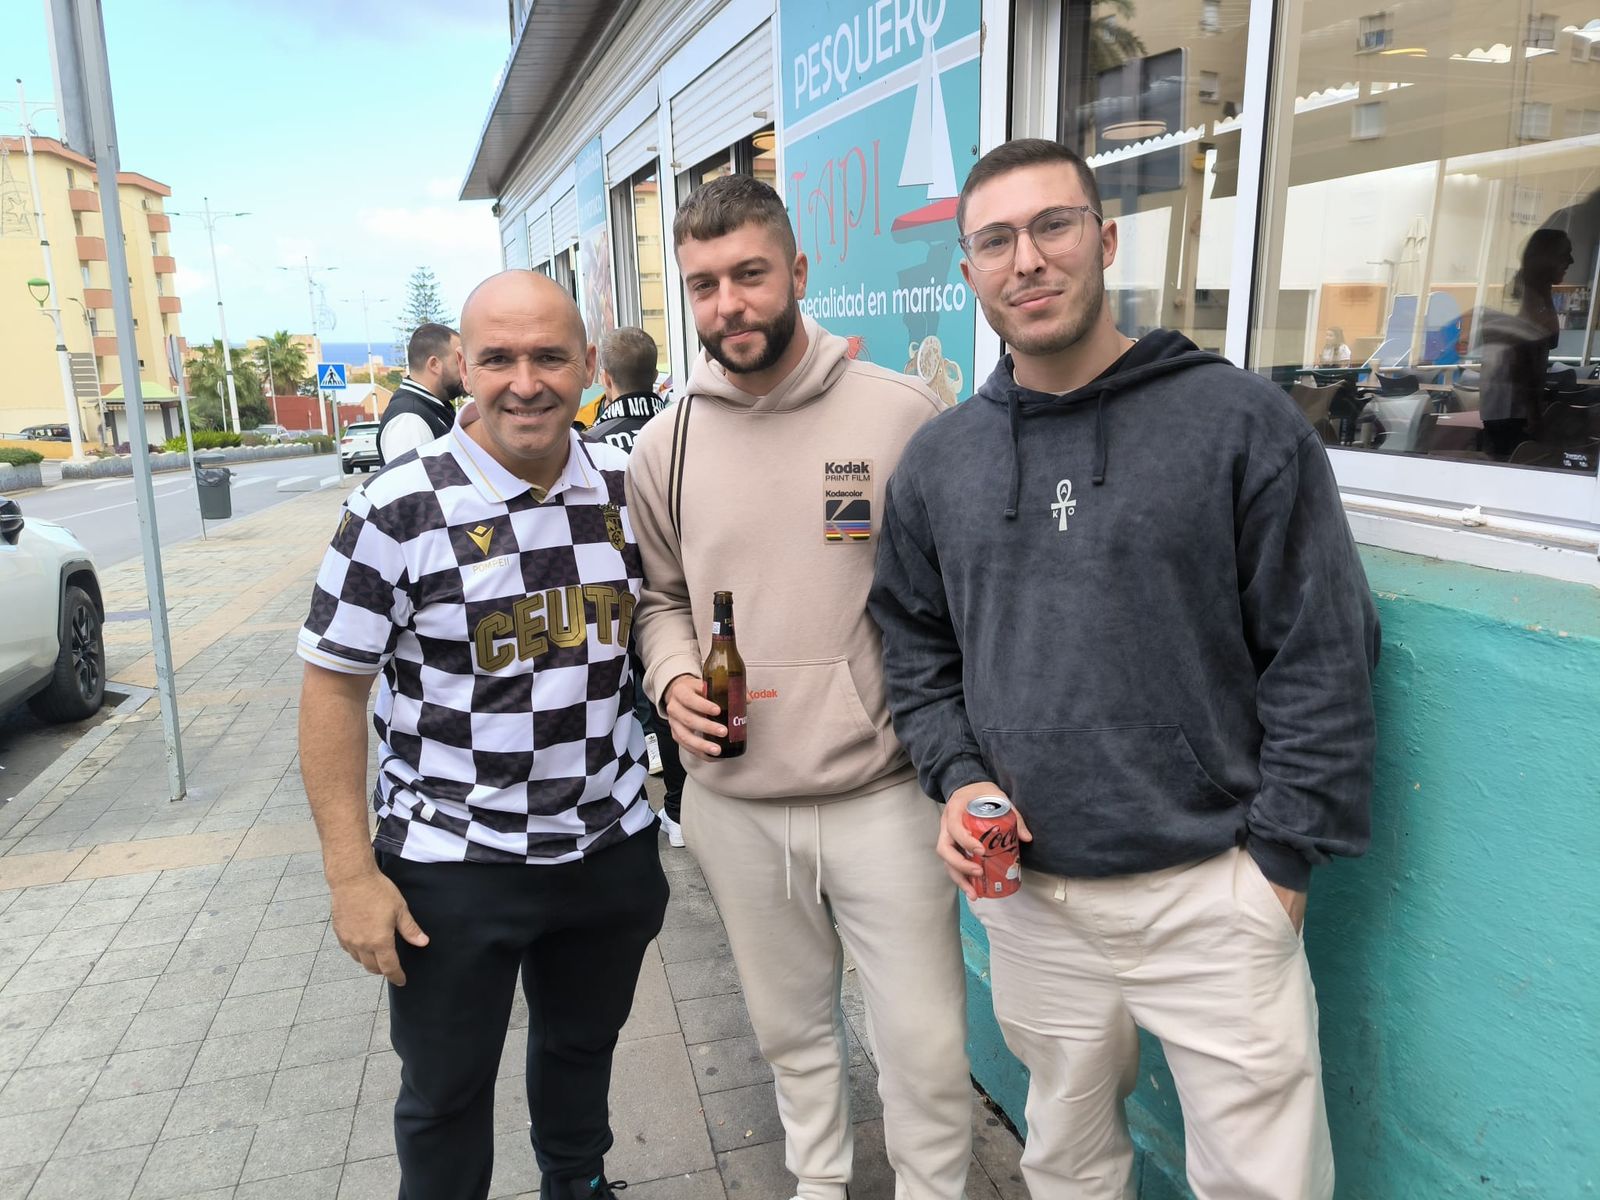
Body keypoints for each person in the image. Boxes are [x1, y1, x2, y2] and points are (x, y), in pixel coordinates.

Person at [868, 138, 1381, 1200]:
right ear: (968, 273)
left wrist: (1279, 868)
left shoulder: (1233, 420)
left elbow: (1321, 647)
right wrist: (957, 777)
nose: (1028, 261)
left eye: (1052, 227)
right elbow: (915, 647)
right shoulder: (941, 460)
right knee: (1066, 1164)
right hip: (1031, 894)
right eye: (995, 241)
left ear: (1102, 241)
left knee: (1264, 1184)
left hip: (1212, 889)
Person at [627, 175, 972, 1200]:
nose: (727, 304)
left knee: (923, 1048)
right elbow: (659, 599)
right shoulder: (665, 443)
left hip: (883, 793)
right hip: (736, 803)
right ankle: (817, 1186)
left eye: (748, 275)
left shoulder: (902, 416)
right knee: (790, 1039)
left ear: (798, 274)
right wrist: (673, 673)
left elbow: (952, 603)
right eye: (702, 285)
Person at [298, 270, 668, 1200]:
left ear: (590, 365)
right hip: (450, 860)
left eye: (550, 356)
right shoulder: (396, 507)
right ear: (463, 366)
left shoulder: (632, 489)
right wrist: (350, 875)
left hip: (604, 842)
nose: (525, 381)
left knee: (583, 1048)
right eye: (498, 358)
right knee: (447, 1090)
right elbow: (332, 691)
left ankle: (576, 1184)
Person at [583, 326, 687, 846]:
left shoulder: (591, 445)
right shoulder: (682, 428)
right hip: (685, 589)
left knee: (643, 697)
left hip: (625, 593)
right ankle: (681, 807)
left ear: (603, 377)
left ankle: (666, 803)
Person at [1479, 227, 1573, 459]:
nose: (1571, 260)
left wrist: (1546, 288)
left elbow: (1551, 340)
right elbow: (1521, 360)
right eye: (1565, 254)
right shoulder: (1525, 296)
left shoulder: (1535, 293)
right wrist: (1535, 415)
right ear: (1547, 258)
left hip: (1507, 408)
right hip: (1511, 409)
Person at [377, 321, 467, 466]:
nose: (465, 371)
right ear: (434, 365)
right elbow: (411, 484)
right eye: (458, 362)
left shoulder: (432, 408)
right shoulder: (410, 419)